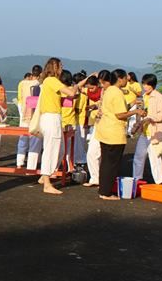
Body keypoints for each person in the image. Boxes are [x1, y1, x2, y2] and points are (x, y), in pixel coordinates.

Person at [96, 69, 146, 200]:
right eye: (125, 79)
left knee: (106, 162)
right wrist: (137, 112)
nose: (126, 81)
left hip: (105, 130)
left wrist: (133, 105)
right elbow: (120, 114)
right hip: (114, 132)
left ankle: (103, 189)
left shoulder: (109, 90)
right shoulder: (117, 92)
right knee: (111, 164)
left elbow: (118, 109)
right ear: (120, 79)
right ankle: (106, 192)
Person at [36, 58, 80, 195]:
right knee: (52, 149)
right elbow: (72, 93)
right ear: (55, 67)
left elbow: (66, 96)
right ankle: (47, 182)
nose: (61, 69)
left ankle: (45, 176)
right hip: (51, 118)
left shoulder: (49, 82)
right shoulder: (52, 80)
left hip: (52, 117)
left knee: (59, 149)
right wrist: (76, 86)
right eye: (60, 66)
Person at [132, 73, 162, 184]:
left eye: (147, 85)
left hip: (154, 131)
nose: (145, 87)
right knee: (139, 156)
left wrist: (150, 119)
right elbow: (142, 112)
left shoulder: (159, 97)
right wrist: (138, 123)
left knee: (155, 157)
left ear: (152, 85)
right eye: (144, 84)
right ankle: (137, 178)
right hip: (144, 131)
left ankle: (159, 180)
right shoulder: (144, 97)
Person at [83, 74, 104, 187]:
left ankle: (100, 178)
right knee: (92, 152)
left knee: (100, 153)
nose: (90, 90)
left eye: (92, 87)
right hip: (95, 122)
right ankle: (95, 178)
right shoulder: (89, 91)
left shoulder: (105, 92)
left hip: (104, 124)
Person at [15, 72, 34, 169]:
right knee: (34, 141)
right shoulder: (36, 84)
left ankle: (19, 162)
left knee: (22, 139)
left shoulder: (21, 83)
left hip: (23, 111)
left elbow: (20, 98)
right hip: (32, 115)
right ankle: (31, 166)